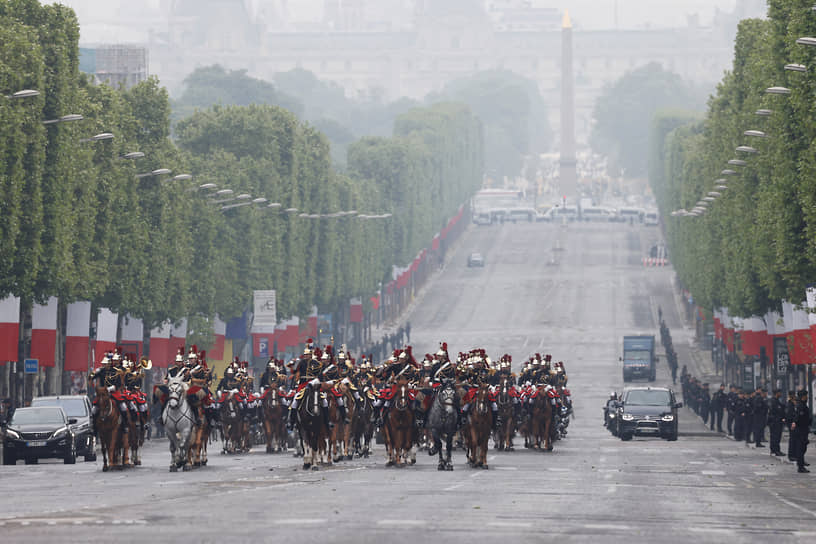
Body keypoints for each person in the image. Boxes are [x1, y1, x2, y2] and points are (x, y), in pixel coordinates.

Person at [790, 389, 812, 473]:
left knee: (803, 446)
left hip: (803, 429)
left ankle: (801, 463)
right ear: (803, 396)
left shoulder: (801, 404)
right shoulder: (800, 405)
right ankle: (800, 466)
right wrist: (795, 423)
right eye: (806, 395)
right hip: (801, 429)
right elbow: (799, 417)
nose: (807, 397)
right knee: (801, 447)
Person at [767, 389, 786, 456]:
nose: (780, 394)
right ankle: (776, 450)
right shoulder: (773, 401)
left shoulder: (776, 401)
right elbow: (777, 411)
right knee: (776, 436)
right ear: (777, 393)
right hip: (775, 422)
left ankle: (774, 450)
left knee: (775, 436)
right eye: (779, 393)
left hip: (776, 421)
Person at [786, 391, 797, 461]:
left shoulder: (793, 403)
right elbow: (790, 415)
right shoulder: (790, 404)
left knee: (794, 439)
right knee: (792, 439)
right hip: (791, 423)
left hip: (793, 423)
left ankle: (794, 454)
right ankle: (791, 455)